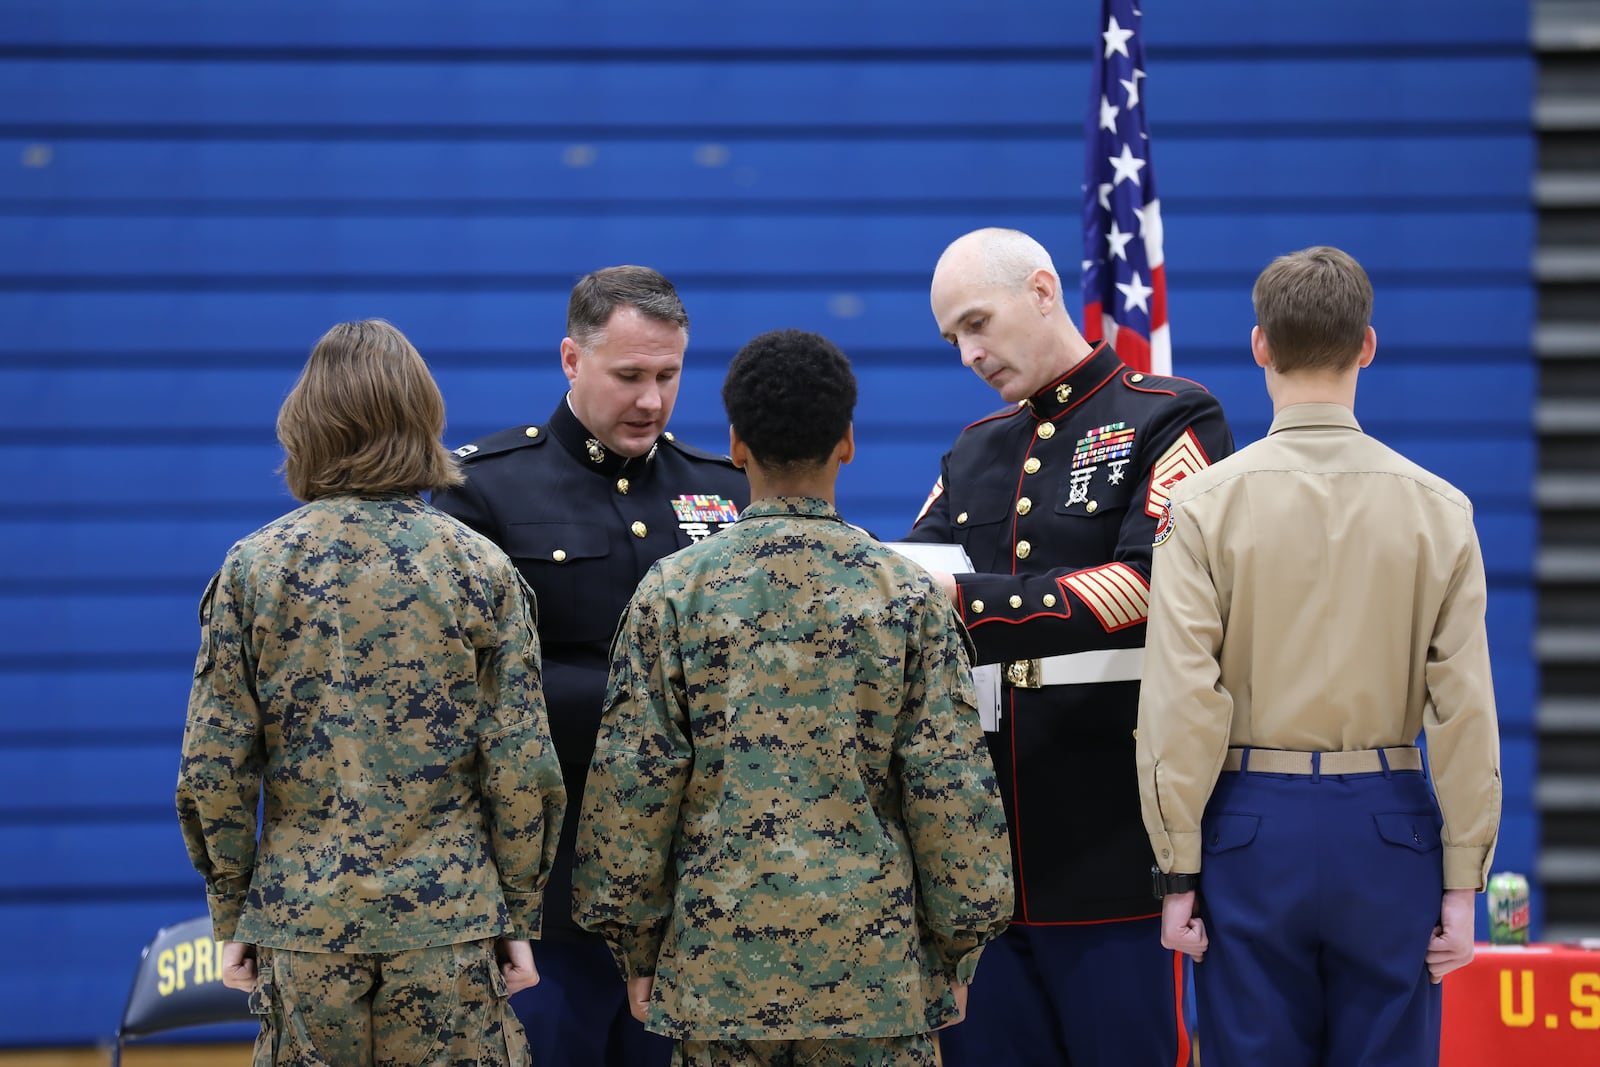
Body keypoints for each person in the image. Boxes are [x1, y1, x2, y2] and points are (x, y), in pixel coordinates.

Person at [571, 328, 1015, 1067]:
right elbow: (950, 789)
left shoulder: (674, 593)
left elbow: (631, 790)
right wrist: (956, 950)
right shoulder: (905, 595)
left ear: (737, 444)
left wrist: (635, 947)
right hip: (876, 979)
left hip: (717, 980)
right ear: (847, 441)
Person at [1135, 246, 1501, 1066]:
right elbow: (1467, 709)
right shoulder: (1441, 510)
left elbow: (1182, 700)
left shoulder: (1199, 507)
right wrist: (1463, 882)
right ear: (1367, 345)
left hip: (1247, 827)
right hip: (1390, 826)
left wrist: (1175, 871)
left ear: (1259, 345)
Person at [175, 319, 566, 1067]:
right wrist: (518, 911)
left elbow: (214, 768)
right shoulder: (478, 567)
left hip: (305, 922)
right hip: (447, 924)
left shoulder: (256, 569)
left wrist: (233, 909)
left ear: (306, 425)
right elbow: (519, 765)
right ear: (423, 422)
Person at [902, 227, 1234, 1067]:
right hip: (981, 859)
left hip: (1114, 846)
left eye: (978, 322)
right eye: (953, 338)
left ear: (1043, 290)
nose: (970, 353)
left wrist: (966, 600)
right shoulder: (975, 449)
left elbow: (1149, 586)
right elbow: (907, 587)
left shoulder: (1169, 417)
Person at [431, 265, 749, 1066]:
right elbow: (468, 690)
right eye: (629, 375)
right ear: (572, 360)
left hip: (695, 892)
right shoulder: (484, 490)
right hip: (552, 893)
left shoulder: (722, 491)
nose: (651, 400)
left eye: (669, 376)